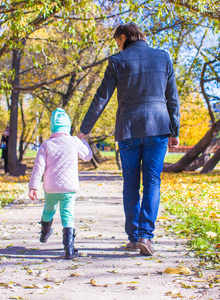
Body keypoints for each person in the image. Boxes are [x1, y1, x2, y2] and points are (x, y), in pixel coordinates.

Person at [77, 23, 180, 256]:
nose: (118, 47)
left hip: (128, 129)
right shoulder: (163, 58)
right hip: (158, 128)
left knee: (131, 183)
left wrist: (85, 129)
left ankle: (134, 238)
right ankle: (146, 236)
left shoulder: (117, 61)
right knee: (152, 182)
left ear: (123, 38)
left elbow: (101, 97)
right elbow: (172, 97)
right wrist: (174, 130)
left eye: (117, 42)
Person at [28, 108, 93, 259]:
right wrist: (83, 141)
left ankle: (44, 233)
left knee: (48, 210)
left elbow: (38, 167)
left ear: (52, 127)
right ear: (68, 126)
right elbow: (88, 156)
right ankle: (69, 249)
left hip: (51, 188)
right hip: (69, 187)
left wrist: (33, 187)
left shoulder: (46, 145)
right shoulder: (74, 141)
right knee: (68, 215)